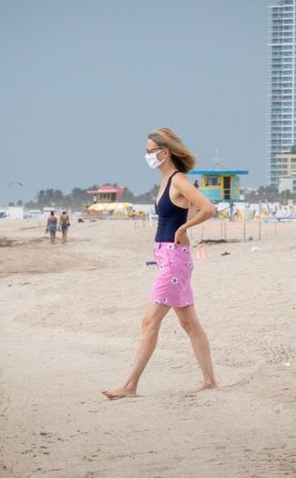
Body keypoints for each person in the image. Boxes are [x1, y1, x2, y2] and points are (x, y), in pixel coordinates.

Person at [103, 127, 218, 399]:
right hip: (166, 257)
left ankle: (130, 386)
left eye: (150, 151)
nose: (147, 156)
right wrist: (182, 227)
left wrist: (184, 229)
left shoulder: (178, 180)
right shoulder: (166, 181)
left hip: (174, 260)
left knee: (149, 322)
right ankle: (211, 382)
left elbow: (207, 208)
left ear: (164, 153)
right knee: (189, 323)